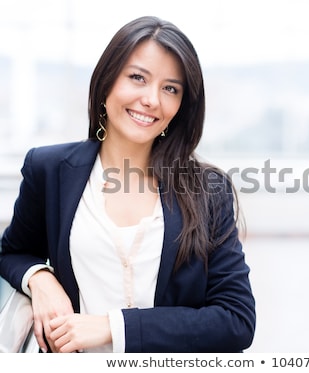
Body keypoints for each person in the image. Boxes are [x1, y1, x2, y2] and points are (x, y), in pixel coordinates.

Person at [0, 16, 255, 353]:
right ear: (107, 82)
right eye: (138, 78)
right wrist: (40, 279)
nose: (152, 99)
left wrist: (112, 326)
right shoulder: (50, 169)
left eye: (170, 88)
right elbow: (14, 251)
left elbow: (236, 320)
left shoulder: (207, 191)